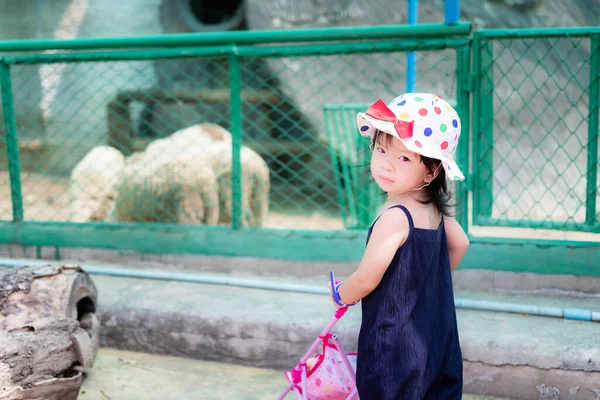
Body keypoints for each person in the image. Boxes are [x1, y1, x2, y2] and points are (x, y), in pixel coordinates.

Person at [328, 93, 470, 399]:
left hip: (395, 349)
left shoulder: (395, 217)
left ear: (432, 171)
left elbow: (367, 278)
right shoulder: (434, 212)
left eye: (404, 157)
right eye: (381, 149)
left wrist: (342, 293)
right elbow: (461, 244)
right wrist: (427, 279)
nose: (386, 165)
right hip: (438, 342)